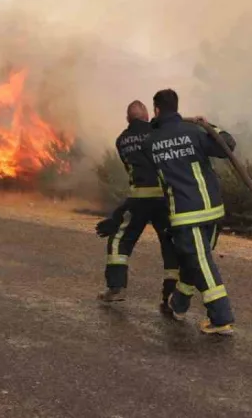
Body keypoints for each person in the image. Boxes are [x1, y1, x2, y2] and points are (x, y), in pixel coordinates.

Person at [148, 88, 237, 336]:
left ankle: (221, 318)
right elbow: (228, 146)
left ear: (156, 109)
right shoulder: (194, 132)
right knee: (194, 260)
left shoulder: (151, 141)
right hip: (212, 209)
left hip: (186, 214)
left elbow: (150, 148)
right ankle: (179, 304)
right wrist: (210, 125)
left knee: (201, 263)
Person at [96, 101, 180, 312]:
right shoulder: (158, 132)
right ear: (148, 116)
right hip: (164, 199)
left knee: (119, 240)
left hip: (139, 199)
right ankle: (170, 296)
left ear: (127, 119)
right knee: (170, 245)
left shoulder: (122, 140)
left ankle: (116, 288)